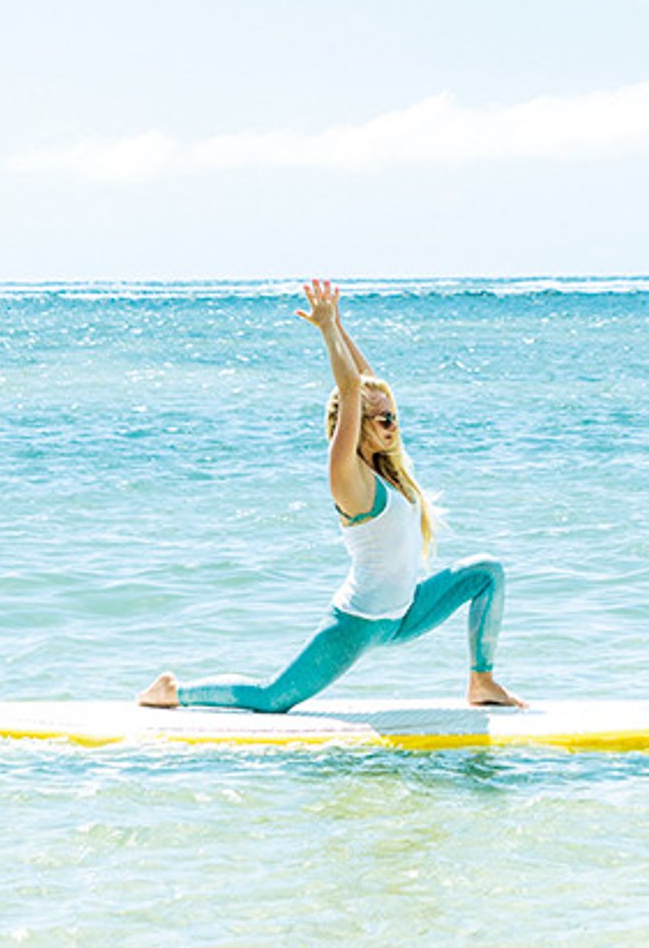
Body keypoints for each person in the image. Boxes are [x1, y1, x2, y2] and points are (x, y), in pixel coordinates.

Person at [138, 279, 525, 712]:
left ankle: (482, 682)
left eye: (392, 415)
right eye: (379, 419)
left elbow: (367, 384)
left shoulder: (392, 469)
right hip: (357, 624)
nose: (391, 424)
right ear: (356, 425)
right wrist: (326, 335)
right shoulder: (350, 478)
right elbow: (350, 390)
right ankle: (173, 692)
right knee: (272, 699)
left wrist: (339, 325)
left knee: (487, 572)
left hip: (405, 613)